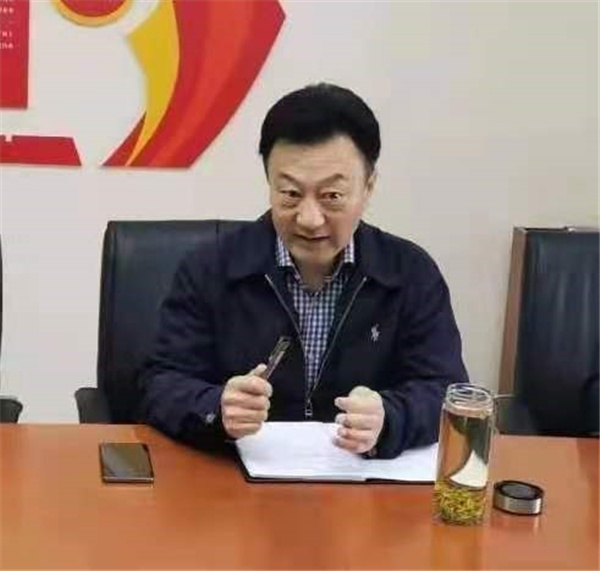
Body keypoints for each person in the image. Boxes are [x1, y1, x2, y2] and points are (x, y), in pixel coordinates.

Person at [137, 83, 468, 458]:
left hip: (362, 480)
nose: (309, 219)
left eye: (332, 196)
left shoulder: (410, 273)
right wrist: (217, 407)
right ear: (270, 183)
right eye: (291, 194)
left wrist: (389, 418)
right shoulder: (210, 269)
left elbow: (444, 390)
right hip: (237, 479)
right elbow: (159, 383)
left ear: (368, 187)